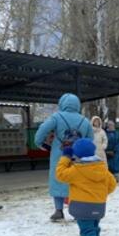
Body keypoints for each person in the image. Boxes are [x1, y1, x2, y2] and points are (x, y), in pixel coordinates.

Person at [55, 138, 117, 236]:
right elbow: (112, 185)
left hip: (81, 207)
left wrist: (65, 157)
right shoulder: (103, 169)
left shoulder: (76, 170)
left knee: (87, 232)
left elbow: (60, 174)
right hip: (99, 206)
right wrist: (101, 194)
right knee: (94, 229)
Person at [35, 93, 93, 221]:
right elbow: (90, 139)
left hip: (59, 154)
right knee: (77, 180)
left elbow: (42, 130)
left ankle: (58, 210)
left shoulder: (57, 117)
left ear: (62, 103)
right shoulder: (85, 120)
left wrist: (39, 143)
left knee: (58, 179)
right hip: (78, 156)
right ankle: (77, 211)